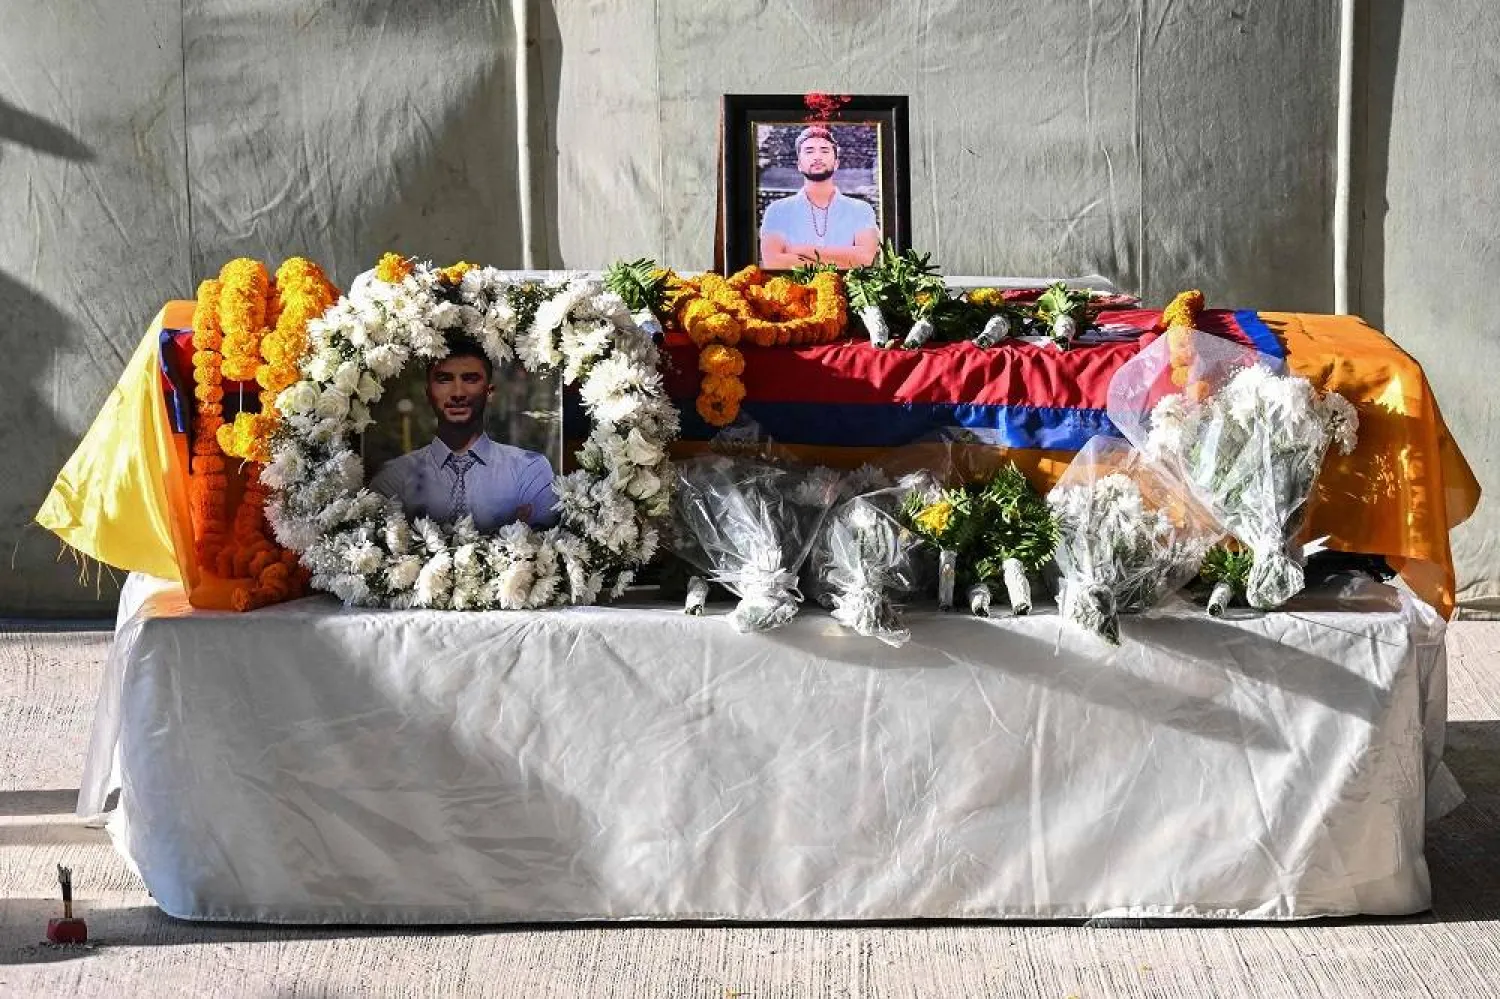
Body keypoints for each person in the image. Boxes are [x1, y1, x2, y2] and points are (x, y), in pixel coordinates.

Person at [369, 337, 557, 531]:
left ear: (489, 392)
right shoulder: (394, 477)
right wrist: (504, 528)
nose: (458, 392)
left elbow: (539, 548)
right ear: (429, 393)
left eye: (470, 379)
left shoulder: (529, 470)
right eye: (444, 379)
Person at [758, 125, 880, 270]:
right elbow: (773, 262)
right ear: (799, 165)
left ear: (836, 163)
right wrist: (842, 261)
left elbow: (865, 258)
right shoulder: (778, 210)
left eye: (824, 150)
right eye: (809, 151)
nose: (817, 157)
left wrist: (799, 250)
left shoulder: (861, 210)